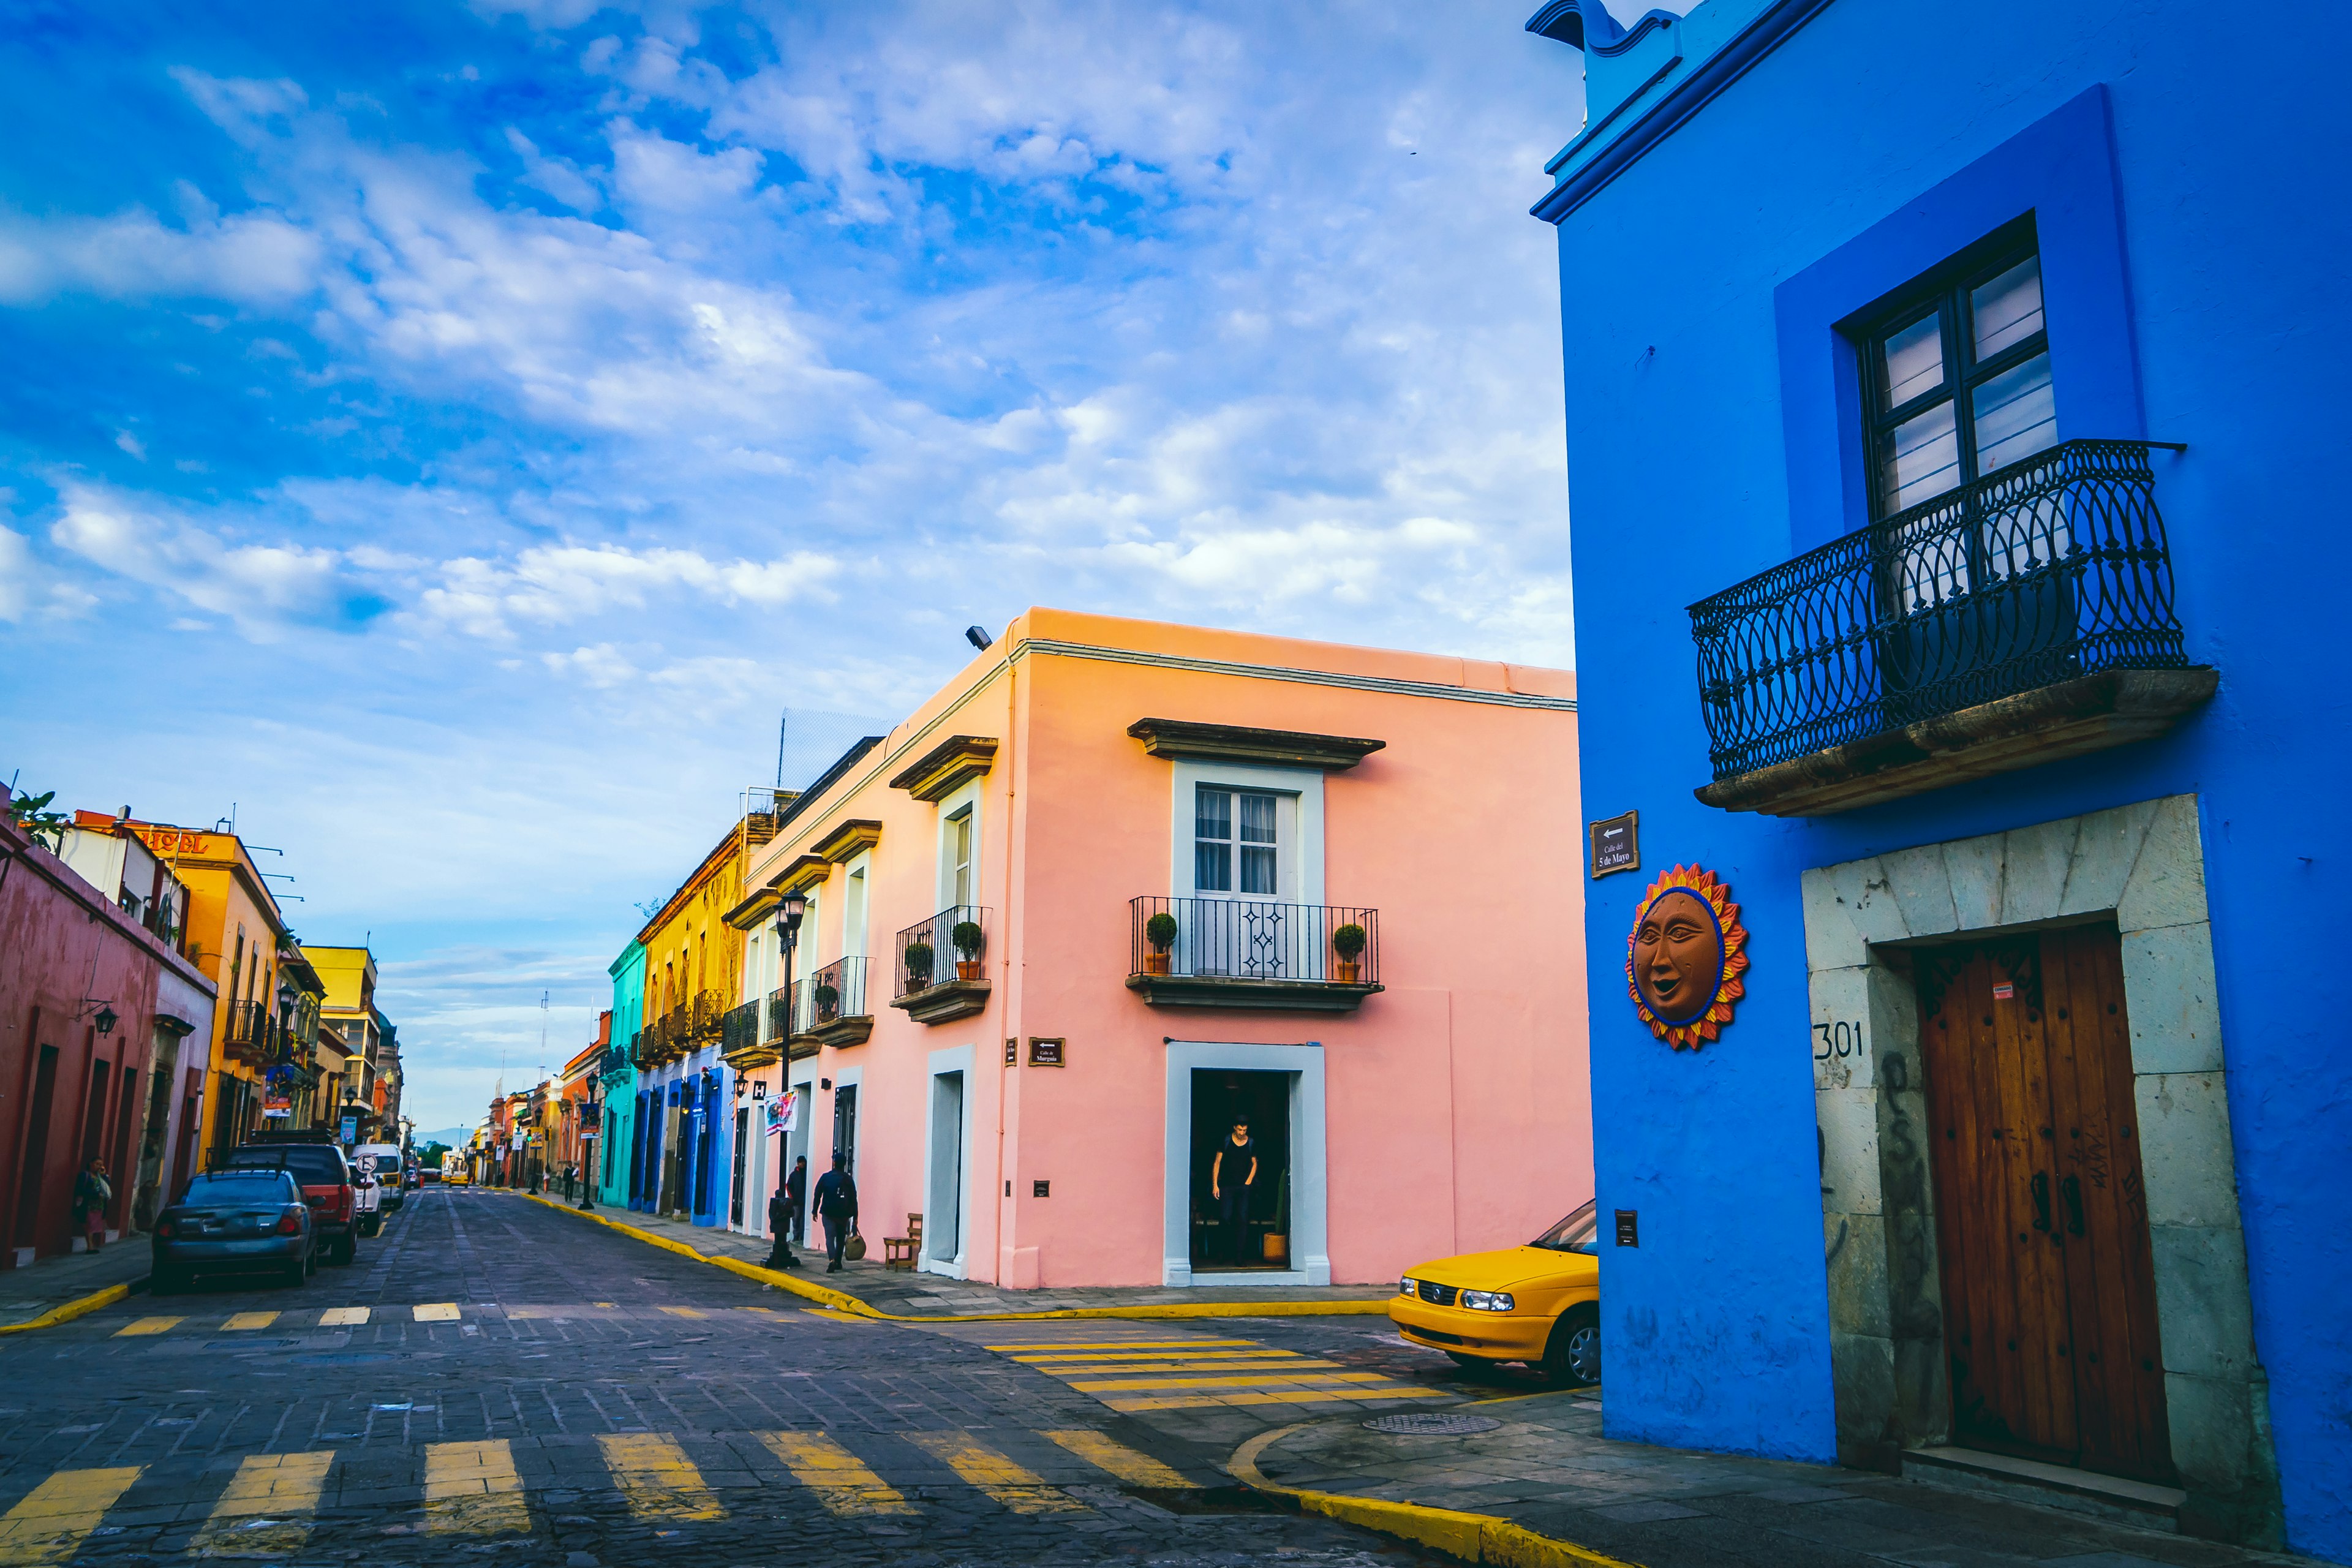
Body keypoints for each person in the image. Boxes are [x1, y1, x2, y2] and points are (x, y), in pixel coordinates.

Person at [1210, 1118, 1258, 1265]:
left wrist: (1249, 1181)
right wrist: (1215, 1185)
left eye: (1244, 1130)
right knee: (1225, 1218)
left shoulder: (1251, 1143)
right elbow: (1217, 1162)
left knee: (1242, 1220)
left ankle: (1239, 1255)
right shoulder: (1226, 1141)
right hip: (1226, 1186)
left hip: (1243, 1188)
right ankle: (1221, 1253)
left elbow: (1255, 1163)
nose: (1242, 1133)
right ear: (1234, 1128)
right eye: (1239, 1130)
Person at [811, 1152, 858, 1274]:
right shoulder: (848, 1179)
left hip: (828, 1212)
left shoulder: (826, 1177)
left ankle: (832, 1260)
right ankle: (838, 1261)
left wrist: (815, 1210)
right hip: (843, 1214)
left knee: (830, 1237)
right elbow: (854, 1199)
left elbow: (818, 1194)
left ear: (834, 1163)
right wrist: (855, 1216)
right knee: (841, 1238)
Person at [72, 1159, 113, 1251]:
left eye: (101, 1165)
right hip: (87, 1204)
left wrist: (103, 1175)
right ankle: (90, 1246)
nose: (99, 1166)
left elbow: (107, 1185)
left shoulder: (100, 1176)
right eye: (97, 1164)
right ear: (90, 1164)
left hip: (99, 1205)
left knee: (95, 1226)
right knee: (88, 1225)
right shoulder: (84, 1175)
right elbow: (80, 1189)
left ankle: (92, 1245)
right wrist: (95, 1195)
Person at [784, 1156, 809, 1248]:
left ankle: (802, 1235)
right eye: (801, 1162)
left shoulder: (806, 1173)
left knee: (803, 1219)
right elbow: (788, 1186)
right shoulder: (794, 1175)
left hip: (804, 1201)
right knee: (796, 1219)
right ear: (798, 1163)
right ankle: (796, 1235)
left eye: (803, 1162)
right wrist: (792, 1197)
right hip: (796, 1201)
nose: (803, 1164)